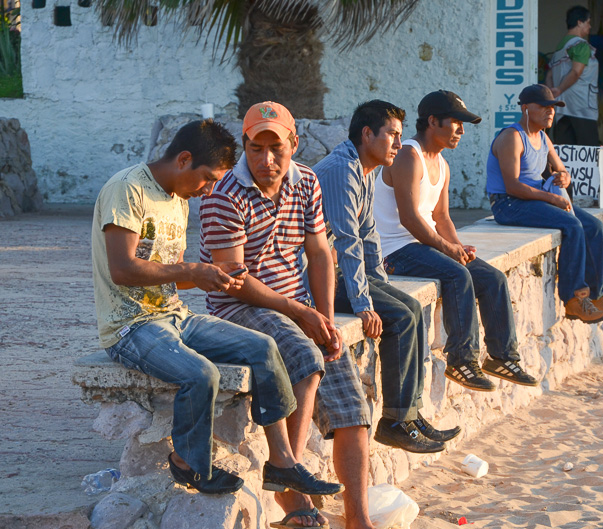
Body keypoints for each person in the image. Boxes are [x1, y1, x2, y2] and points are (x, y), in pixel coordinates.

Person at [91, 119, 343, 502]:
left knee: (263, 347)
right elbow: (123, 269)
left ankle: (282, 460)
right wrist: (193, 270)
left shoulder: (178, 197)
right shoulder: (128, 189)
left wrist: (212, 277)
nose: (208, 190)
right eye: (207, 179)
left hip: (173, 316)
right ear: (184, 159)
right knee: (201, 374)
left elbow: (169, 275)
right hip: (129, 326)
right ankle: (187, 461)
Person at [199, 102, 375, 529]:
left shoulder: (307, 181)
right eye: (256, 148)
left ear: (293, 144)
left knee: (353, 411)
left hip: (297, 305)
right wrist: (300, 313)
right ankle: (289, 484)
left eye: (276, 148)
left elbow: (320, 253)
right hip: (240, 307)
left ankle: (358, 519)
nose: (266, 159)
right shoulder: (224, 195)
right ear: (244, 145)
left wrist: (325, 320)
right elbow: (233, 279)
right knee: (304, 356)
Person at [314, 100, 461, 456]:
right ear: (367, 134)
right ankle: (395, 422)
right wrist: (364, 304)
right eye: (392, 135)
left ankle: (410, 415)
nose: (398, 143)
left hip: (335, 271)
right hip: (311, 279)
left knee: (410, 307)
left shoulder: (365, 169)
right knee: (398, 317)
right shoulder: (343, 170)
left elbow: (368, 235)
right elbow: (347, 241)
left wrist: (380, 286)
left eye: (399, 135)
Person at [375, 90, 538, 392]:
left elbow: (442, 217)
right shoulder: (408, 155)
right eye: (456, 123)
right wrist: (447, 249)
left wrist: (458, 247)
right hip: (394, 251)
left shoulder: (442, 165)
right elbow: (409, 219)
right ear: (432, 121)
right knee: (458, 275)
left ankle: (502, 357)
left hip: (421, 246)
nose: (461, 131)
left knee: (492, 278)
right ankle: (461, 361)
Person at [487, 84, 603, 325]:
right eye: (544, 106)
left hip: (534, 200)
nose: (550, 111)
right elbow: (512, 186)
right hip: (508, 204)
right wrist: (552, 198)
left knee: (593, 226)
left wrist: (564, 177)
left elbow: (562, 169)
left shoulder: (543, 137)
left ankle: (599, 296)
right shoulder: (512, 137)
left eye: (553, 107)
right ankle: (574, 299)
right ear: (525, 108)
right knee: (572, 226)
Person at [546, 5, 599, 146]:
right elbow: (576, 72)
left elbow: (549, 76)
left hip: (562, 109)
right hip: (582, 107)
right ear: (579, 22)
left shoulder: (560, 48)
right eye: (588, 22)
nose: (590, 26)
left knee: (565, 151)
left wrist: (553, 94)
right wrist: (560, 89)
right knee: (588, 151)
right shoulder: (581, 46)